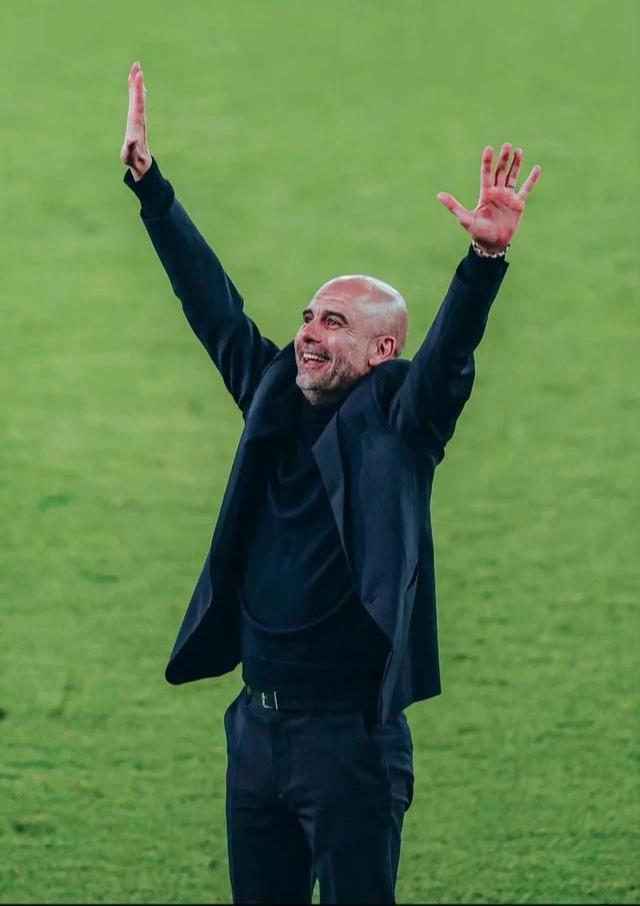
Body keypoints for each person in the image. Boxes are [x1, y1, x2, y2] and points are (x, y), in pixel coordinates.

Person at [120, 61, 541, 904]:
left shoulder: (402, 422)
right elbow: (212, 305)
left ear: (383, 352)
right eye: (309, 316)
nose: (309, 333)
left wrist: (483, 261)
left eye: (334, 323)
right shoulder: (274, 390)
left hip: (349, 745)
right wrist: (150, 187)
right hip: (256, 729)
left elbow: (449, 358)